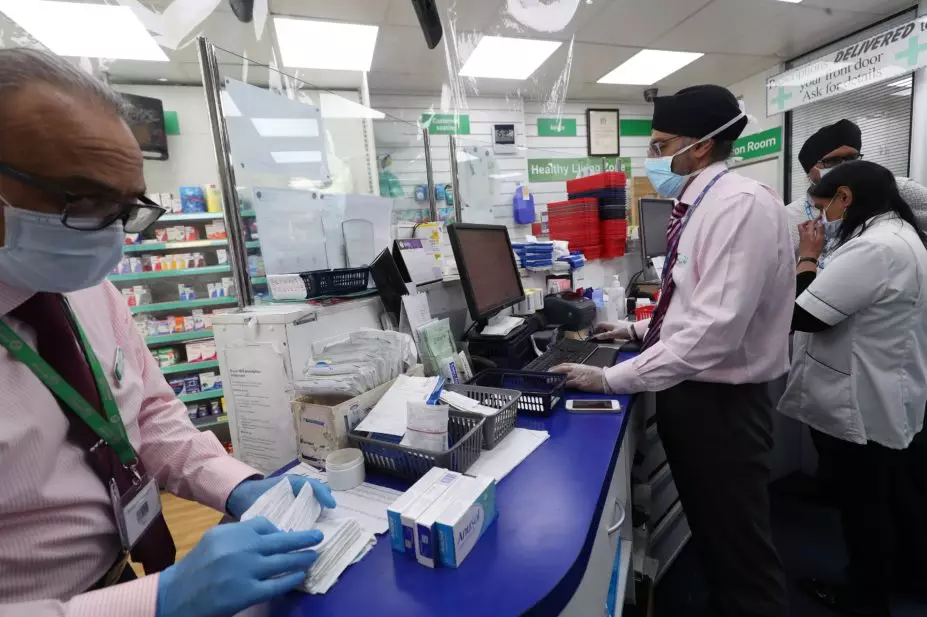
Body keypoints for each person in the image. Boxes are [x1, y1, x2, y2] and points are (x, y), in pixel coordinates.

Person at [0, 48, 335, 616]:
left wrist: (234, 484)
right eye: (86, 203)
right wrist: (156, 602)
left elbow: (149, 414)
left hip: (118, 574)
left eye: (126, 209)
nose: (112, 240)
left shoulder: (85, 288)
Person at [552, 85, 794, 617]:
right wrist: (636, 331)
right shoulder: (703, 203)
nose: (653, 157)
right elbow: (693, 301)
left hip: (723, 409)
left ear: (701, 145)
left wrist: (611, 379)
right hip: (698, 396)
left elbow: (714, 331)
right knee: (716, 538)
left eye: (661, 146)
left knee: (740, 552)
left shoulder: (738, 206)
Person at [777, 161, 927, 617]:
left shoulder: (874, 248)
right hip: (887, 387)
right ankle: (903, 578)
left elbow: (807, 316)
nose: (820, 218)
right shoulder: (899, 235)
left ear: (845, 197)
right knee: (890, 497)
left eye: (823, 207)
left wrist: (807, 255)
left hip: (862, 397)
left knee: (864, 507)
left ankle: (867, 598)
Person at [786, 118, 927, 255]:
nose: (845, 166)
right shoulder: (790, 217)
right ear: (810, 171)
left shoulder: (893, 189)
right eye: (833, 161)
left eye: (852, 158)